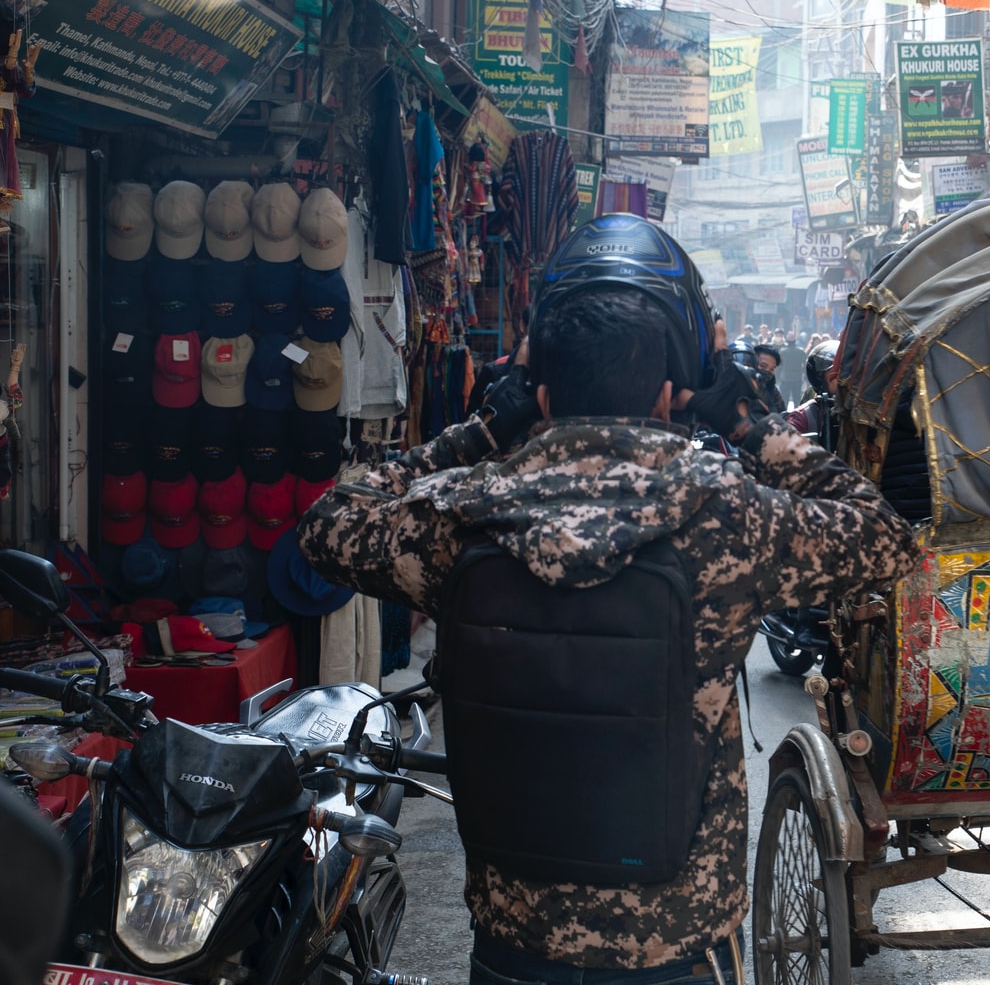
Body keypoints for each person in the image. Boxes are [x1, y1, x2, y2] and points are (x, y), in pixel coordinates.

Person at [297, 219, 921, 985]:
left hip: (513, 939)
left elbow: (329, 523)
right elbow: (886, 538)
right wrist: (748, 424)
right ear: (669, 395)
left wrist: (484, 428)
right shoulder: (725, 514)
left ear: (543, 392)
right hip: (675, 943)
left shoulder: (460, 512)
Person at [750, 342, 784, 410]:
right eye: (763, 366)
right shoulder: (740, 386)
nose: (767, 371)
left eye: (772, 369)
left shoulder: (773, 391)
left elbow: (782, 414)